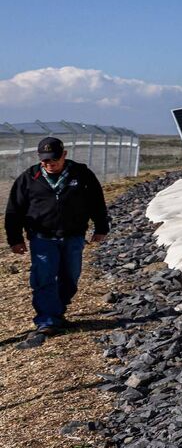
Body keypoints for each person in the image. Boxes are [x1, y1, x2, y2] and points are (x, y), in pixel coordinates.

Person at [6, 137, 109, 348]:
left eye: (54, 159)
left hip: (73, 236)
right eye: (45, 160)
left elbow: (97, 202)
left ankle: (57, 311)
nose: (50, 164)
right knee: (44, 277)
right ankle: (47, 320)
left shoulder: (81, 174)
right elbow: (14, 210)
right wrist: (15, 238)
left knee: (70, 277)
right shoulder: (29, 178)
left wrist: (101, 227)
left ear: (64, 155)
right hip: (42, 238)